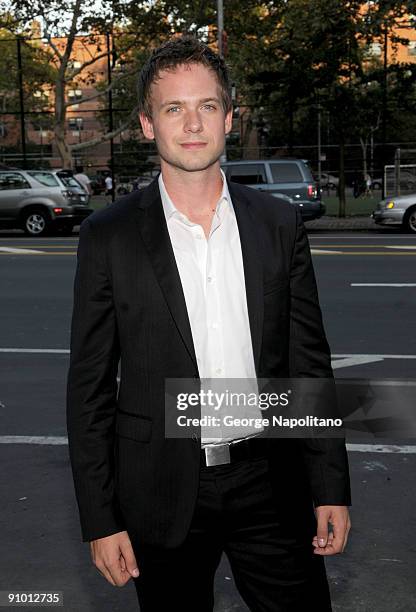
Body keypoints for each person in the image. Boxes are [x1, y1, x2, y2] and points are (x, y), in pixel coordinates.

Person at [66, 36, 351, 612]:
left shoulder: (277, 223)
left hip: (271, 481)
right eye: (174, 108)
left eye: (207, 106)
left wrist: (329, 486)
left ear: (228, 116)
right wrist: (100, 519)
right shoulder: (109, 236)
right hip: (160, 491)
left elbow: (307, 362)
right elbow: (90, 389)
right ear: (148, 124)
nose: (192, 124)